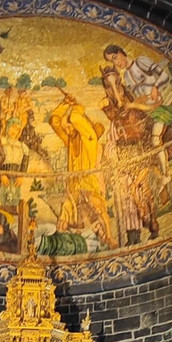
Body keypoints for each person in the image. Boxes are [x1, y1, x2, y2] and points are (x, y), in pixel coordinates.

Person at [103, 44, 172, 185]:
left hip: (158, 108)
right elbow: (139, 97)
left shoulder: (140, 61)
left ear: (121, 52)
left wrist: (155, 87)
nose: (116, 62)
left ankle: (165, 175)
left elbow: (163, 75)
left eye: (115, 57)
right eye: (112, 61)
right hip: (145, 111)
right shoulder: (126, 75)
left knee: (155, 140)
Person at [48, 92, 115, 249]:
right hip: (74, 185)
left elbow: (76, 118)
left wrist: (77, 107)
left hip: (89, 184)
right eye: (66, 128)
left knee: (97, 206)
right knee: (65, 211)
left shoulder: (89, 137)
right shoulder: (70, 140)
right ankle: (59, 248)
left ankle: (110, 237)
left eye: (69, 127)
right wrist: (65, 103)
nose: (67, 130)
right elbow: (54, 121)